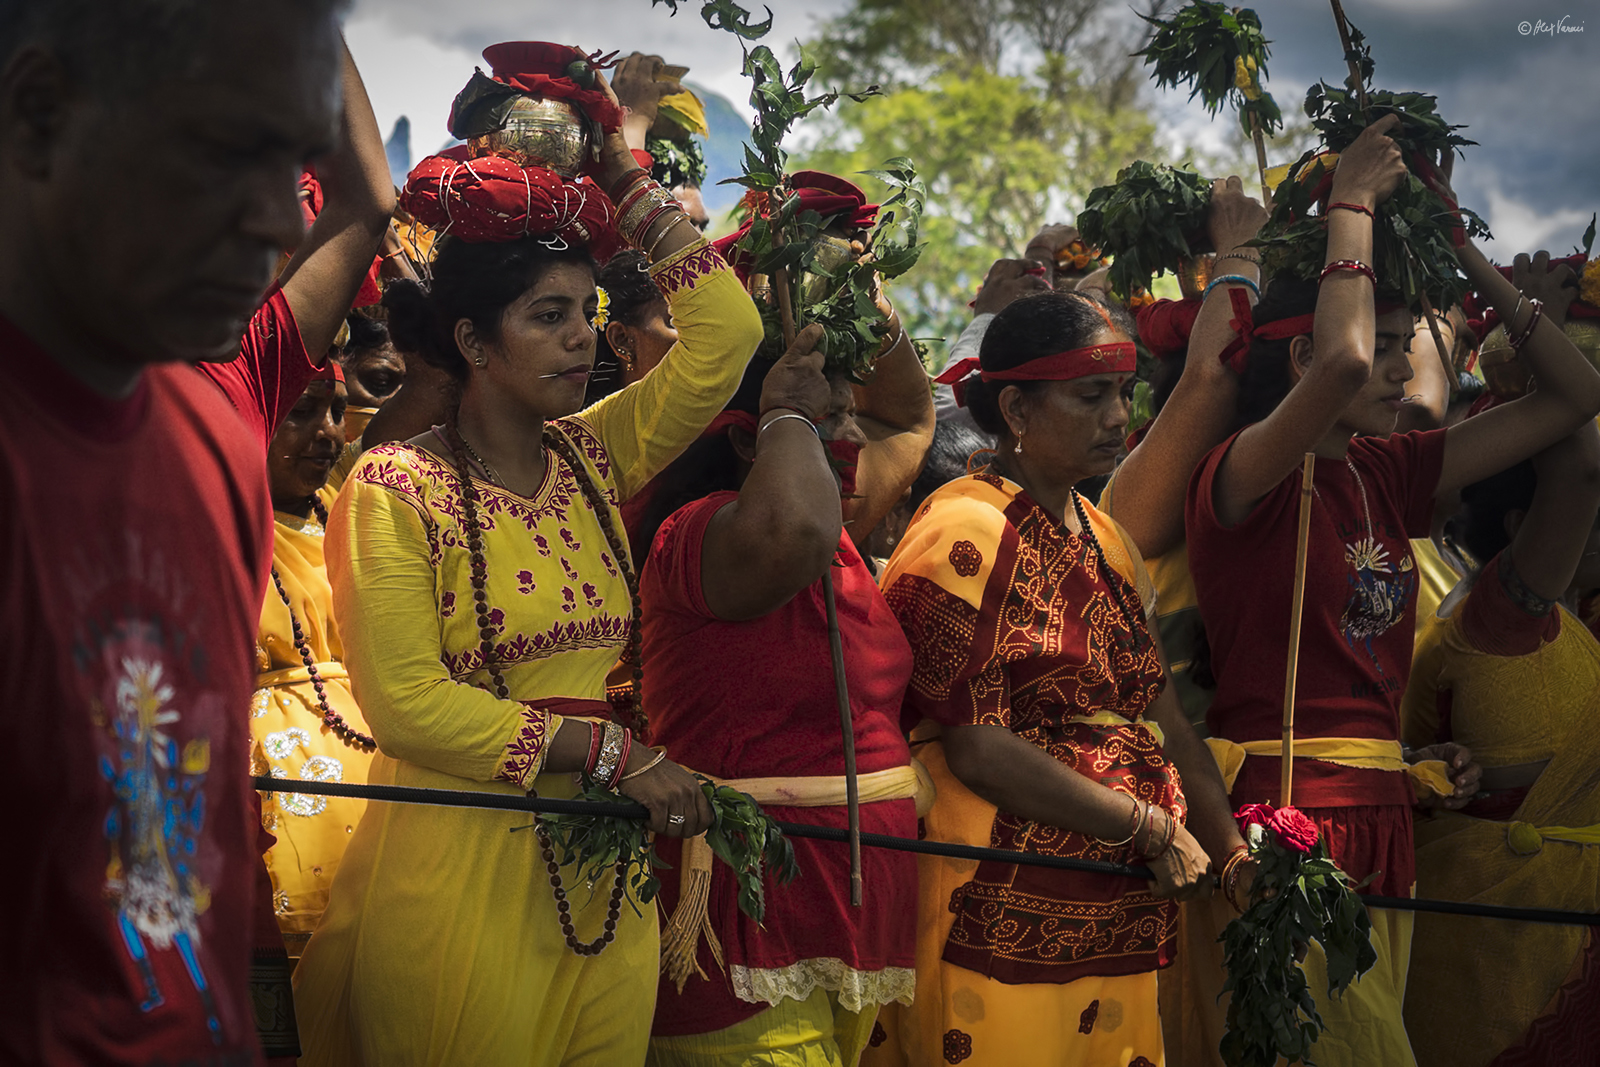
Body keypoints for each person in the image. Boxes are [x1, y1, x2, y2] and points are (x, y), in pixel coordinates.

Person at [290, 43, 764, 1066]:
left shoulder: (595, 453)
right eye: (547, 317)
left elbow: (727, 332)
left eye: (587, 316)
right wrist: (613, 754)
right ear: (470, 340)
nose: (580, 342)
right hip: (461, 869)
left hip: (602, 875)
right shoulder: (393, 487)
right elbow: (407, 700)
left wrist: (622, 179)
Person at [0, 1, 393, 1060]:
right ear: (37, 114)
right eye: (229, 149)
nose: (280, 217)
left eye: (298, 155)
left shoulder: (213, 436)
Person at [1184, 114, 1600, 1065]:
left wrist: (1466, 253)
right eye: (1388, 347)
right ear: (1301, 362)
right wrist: (1354, 202)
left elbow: (1574, 403)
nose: (1403, 367)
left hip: (1388, 820)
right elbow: (1338, 363)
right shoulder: (1241, 475)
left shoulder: (1389, 470)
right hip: (1289, 815)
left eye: (1409, 343)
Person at [871, 289, 1247, 1067]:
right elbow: (975, 745)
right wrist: (1143, 825)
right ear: (1015, 407)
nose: (1119, 416)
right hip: (993, 894)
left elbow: (1165, 716)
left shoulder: (1104, 534)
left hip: (1113, 901)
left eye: (1124, 393)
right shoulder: (963, 527)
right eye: (1091, 395)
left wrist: (1232, 850)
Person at [637, 308, 932, 1065]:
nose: (855, 439)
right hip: (747, 910)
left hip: (854, 914)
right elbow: (792, 529)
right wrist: (788, 411)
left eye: (845, 414)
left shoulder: (838, 536)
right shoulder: (696, 535)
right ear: (748, 438)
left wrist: (862, 293)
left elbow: (907, 412)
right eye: (831, 418)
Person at [1401, 419, 1600, 1067]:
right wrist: (1519, 324)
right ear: (1520, 528)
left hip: (1537, 927)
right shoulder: (1501, 616)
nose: (1592, 532)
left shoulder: (1559, 624)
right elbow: (1580, 469)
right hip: (1501, 947)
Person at [253, 363, 379, 960]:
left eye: (335, 412)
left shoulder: (344, 508)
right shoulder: (221, 516)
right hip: (266, 806)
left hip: (379, 799)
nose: (328, 432)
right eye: (301, 413)